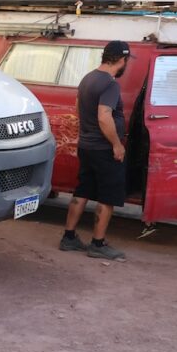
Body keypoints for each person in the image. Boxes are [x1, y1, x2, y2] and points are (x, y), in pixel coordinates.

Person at [59, 40, 132, 260]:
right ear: (122, 60)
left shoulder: (88, 77)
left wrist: (87, 132)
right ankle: (98, 244)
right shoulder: (110, 84)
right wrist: (116, 144)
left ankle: (69, 238)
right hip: (103, 148)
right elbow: (104, 116)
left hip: (87, 146)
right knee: (107, 196)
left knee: (82, 191)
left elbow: (78, 106)